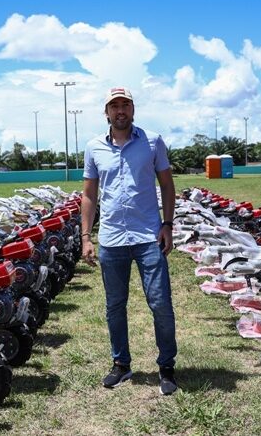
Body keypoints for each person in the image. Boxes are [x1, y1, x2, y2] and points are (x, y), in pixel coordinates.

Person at [80, 86, 178, 395]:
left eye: (125, 104)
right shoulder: (94, 147)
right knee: (115, 305)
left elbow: (167, 185)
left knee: (160, 302)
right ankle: (121, 365)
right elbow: (89, 194)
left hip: (149, 236)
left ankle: (166, 366)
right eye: (114, 106)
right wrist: (85, 236)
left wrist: (167, 225)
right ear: (106, 112)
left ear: (133, 110)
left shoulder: (152, 142)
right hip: (111, 239)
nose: (120, 110)